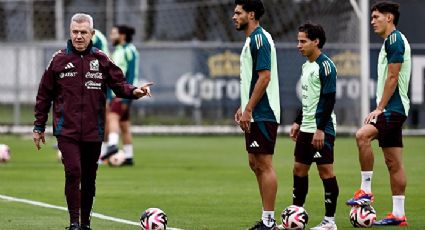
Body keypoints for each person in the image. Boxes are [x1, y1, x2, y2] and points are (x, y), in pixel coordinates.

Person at [33, 13, 152, 230]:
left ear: (92, 34)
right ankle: (74, 223)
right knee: (73, 172)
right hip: (65, 130)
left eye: (83, 32)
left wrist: (135, 92)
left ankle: (86, 223)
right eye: (75, 32)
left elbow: (120, 85)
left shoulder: (102, 59)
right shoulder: (58, 60)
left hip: (93, 130)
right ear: (70, 33)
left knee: (89, 178)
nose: (79, 36)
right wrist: (38, 126)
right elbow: (44, 95)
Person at [346, 1, 411, 226]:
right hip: (394, 108)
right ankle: (398, 214)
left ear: (389, 18)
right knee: (393, 162)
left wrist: (379, 108)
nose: (372, 21)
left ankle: (365, 190)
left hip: (394, 109)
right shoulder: (390, 42)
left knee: (362, 136)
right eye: (372, 17)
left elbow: (393, 77)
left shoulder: (395, 41)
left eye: (376, 17)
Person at [282, 23, 339, 230]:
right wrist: (298, 121)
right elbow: (308, 99)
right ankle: (296, 215)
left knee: (325, 171)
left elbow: (328, 99)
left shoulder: (326, 66)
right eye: (298, 41)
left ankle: (329, 222)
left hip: (321, 129)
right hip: (306, 128)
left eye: (303, 41)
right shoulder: (306, 65)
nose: (299, 45)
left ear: (316, 42)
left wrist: (320, 129)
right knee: (299, 169)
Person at [232, 0, 280, 229]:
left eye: (238, 12)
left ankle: (269, 221)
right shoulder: (252, 40)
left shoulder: (259, 38)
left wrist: (250, 108)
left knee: (264, 163)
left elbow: (264, 77)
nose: (234, 16)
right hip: (255, 111)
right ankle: (266, 218)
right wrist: (244, 106)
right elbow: (253, 79)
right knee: (255, 163)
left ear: (251, 15)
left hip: (263, 112)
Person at [100, 25, 139, 166]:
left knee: (112, 118)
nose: (111, 36)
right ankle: (128, 157)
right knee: (124, 125)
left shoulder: (129, 50)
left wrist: (128, 93)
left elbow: (132, 73)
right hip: (115, 92)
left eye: (114, 33)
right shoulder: (118, 51)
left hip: (123, 93)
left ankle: (112, 145)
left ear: (122, 35)